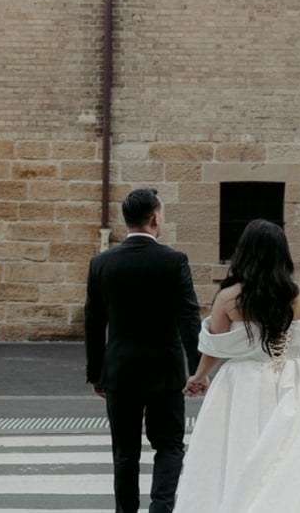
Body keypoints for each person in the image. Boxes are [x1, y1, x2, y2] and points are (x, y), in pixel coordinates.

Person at [174, 219, 300, 513]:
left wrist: (199, 376)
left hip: (242, 384)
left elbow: (215, 348)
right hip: (296, 384)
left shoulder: (229, 298)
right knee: (296, 457)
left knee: (242, 455)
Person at [84, 187, 202, 513]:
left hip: (120, 370)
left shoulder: (101, 264)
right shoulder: (174, 261)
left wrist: (95, 372)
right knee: (169, 445)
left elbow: (93, 322)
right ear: (155, 219)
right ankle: (161, 509)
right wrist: (197, 369)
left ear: (126, 220)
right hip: (165, 370)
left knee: (124, 452)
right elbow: (188, 318)